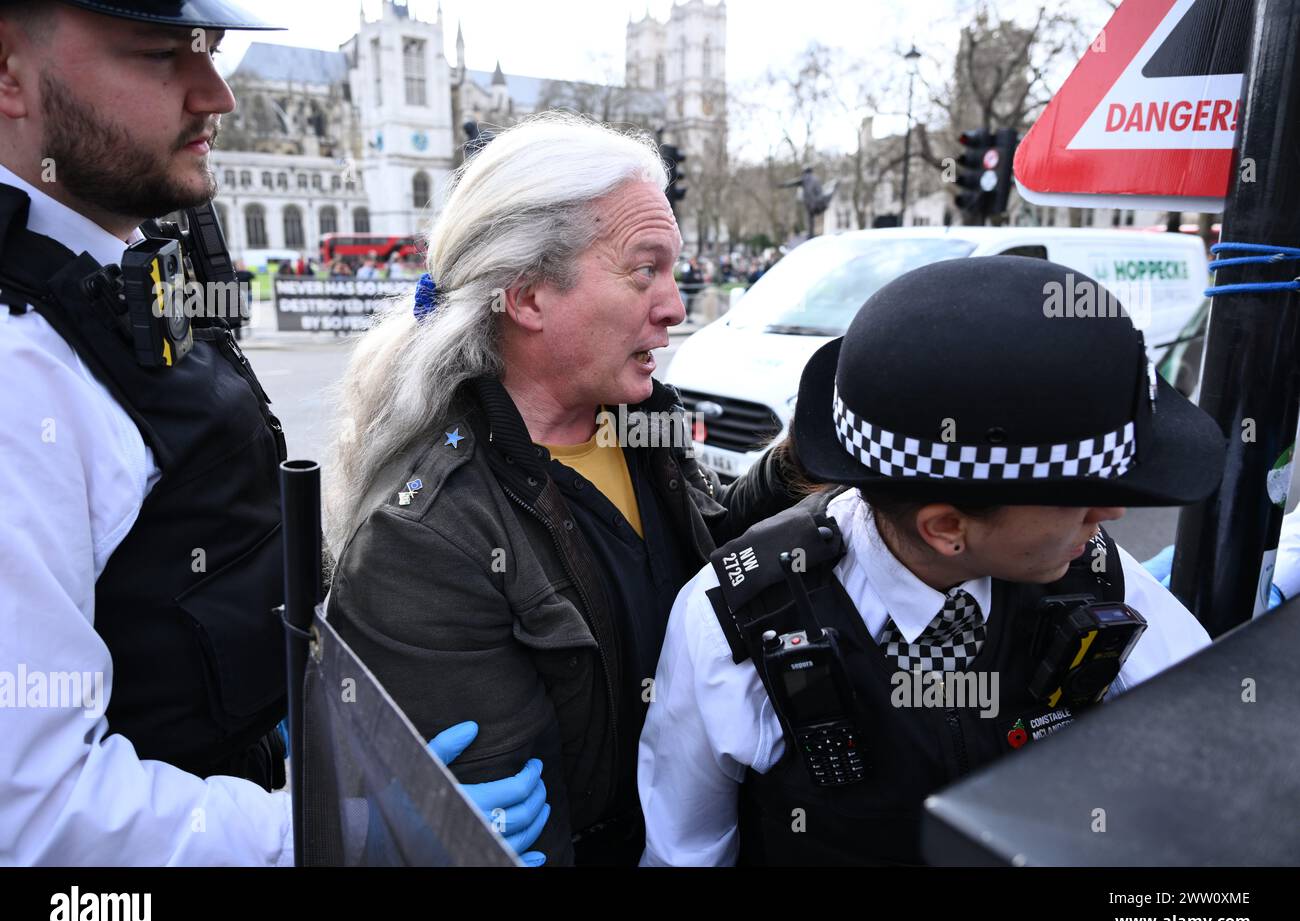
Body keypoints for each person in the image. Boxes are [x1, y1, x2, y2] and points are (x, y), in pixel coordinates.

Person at [0, 0, 545, 866]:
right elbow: (35, 814)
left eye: (210, 51)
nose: (216, 93)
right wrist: (340, 836)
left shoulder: (111, 265)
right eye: (157, 56)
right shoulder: (18, 367)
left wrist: (309, 724)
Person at [323, 112, 803, 867]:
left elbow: (698, 558)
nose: (676, 306)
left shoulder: (635, 427)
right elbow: (515, 842)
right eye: (645, 269)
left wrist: (794, 468)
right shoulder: (427, 542)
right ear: (526, 296)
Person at [638, 256, 1230, 866]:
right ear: (947, 528)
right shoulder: (738, 623)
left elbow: (1210, 761)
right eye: (1083, 500)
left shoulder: (1094, 571)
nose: (1110, 518)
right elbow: (684, 856)